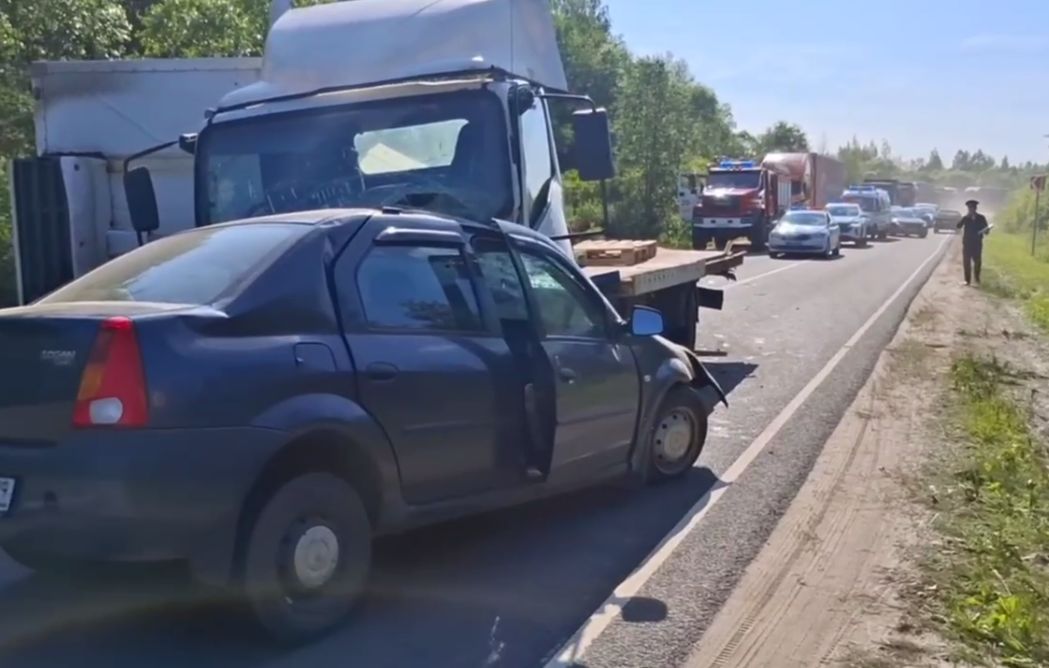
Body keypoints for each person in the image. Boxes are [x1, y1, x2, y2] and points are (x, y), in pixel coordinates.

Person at [956, 199, 990, 285]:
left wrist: (985, 230)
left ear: (976, 208)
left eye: (973, 208)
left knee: (977, 262)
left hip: (977, 243)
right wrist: (965, 218)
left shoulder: (981, 218)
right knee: (966, 262)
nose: (971, 210)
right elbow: (958, 226)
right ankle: (967, 280)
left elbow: (986, 231)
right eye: (970, 208)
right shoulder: (965, 218)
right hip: (967, 243)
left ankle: (977, 279)